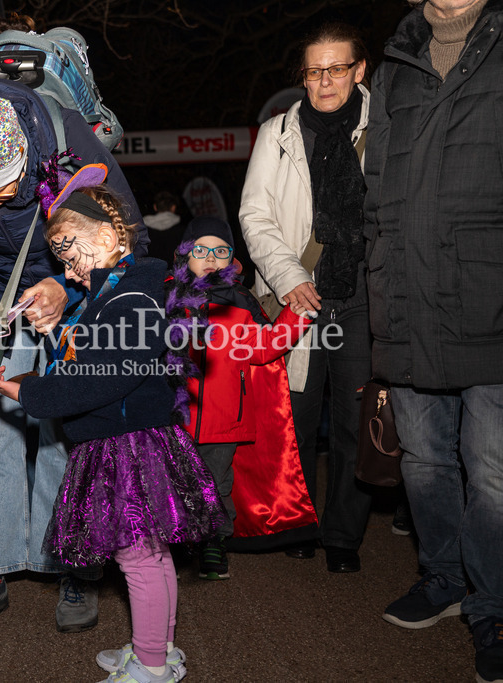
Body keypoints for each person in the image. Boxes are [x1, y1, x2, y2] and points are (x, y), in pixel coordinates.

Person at [0, 73, 147, 633]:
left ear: (26, 156)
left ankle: (70, 562)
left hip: (70, 283)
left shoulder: (67, 140)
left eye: (0, 189)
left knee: (64, 424)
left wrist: (69, 286)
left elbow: (130, 230)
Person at [0, 174, 227, 683]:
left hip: (127, 448)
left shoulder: (130, 300)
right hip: (128, 442)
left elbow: (102, 379)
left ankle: (152, 666)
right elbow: (88, 362)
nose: (70, 274)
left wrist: (27, 392)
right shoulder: (114, 297)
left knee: (138, 558)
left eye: (72, 257)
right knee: (152, 555)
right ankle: (156, 650)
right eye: (63, 262)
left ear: (109, 239)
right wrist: (54, 341)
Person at [364, 1, 503, 680]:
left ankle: (492, 604)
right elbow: (375, 192)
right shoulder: (397, 64)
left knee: (495, 471)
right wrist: (379, 280)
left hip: (489, 297)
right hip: (409, 299)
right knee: (422, 461)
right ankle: (445, 577)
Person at [239, 22, 373, 573]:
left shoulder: (385, 129)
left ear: (359, 71)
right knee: (294, 415)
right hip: (298, 298)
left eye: (336, 68)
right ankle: (299, 518)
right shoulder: (279, 132)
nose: (324, 81)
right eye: (314, 70)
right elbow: (255, 215)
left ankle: (343, 534)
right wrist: (289, 275)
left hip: (364, 297)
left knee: (355, 420)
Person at [170, 217, 316, 581]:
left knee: (216, 482)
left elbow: (265, 348)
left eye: (220, 252)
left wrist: (296, 315)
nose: (210, 258)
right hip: (175, 416)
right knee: (174, 478)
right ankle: (177, 539)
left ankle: (214, 542)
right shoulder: (166, 299)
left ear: (232, 260)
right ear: (184, 256)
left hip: (225, 418)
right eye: (200, 250)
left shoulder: (240, 301)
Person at [143, 190, 184, 263]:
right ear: (173, 207)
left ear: (155, 207)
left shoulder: (142, 230)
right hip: (173, 272)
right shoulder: (182, 231)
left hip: (150, 270)